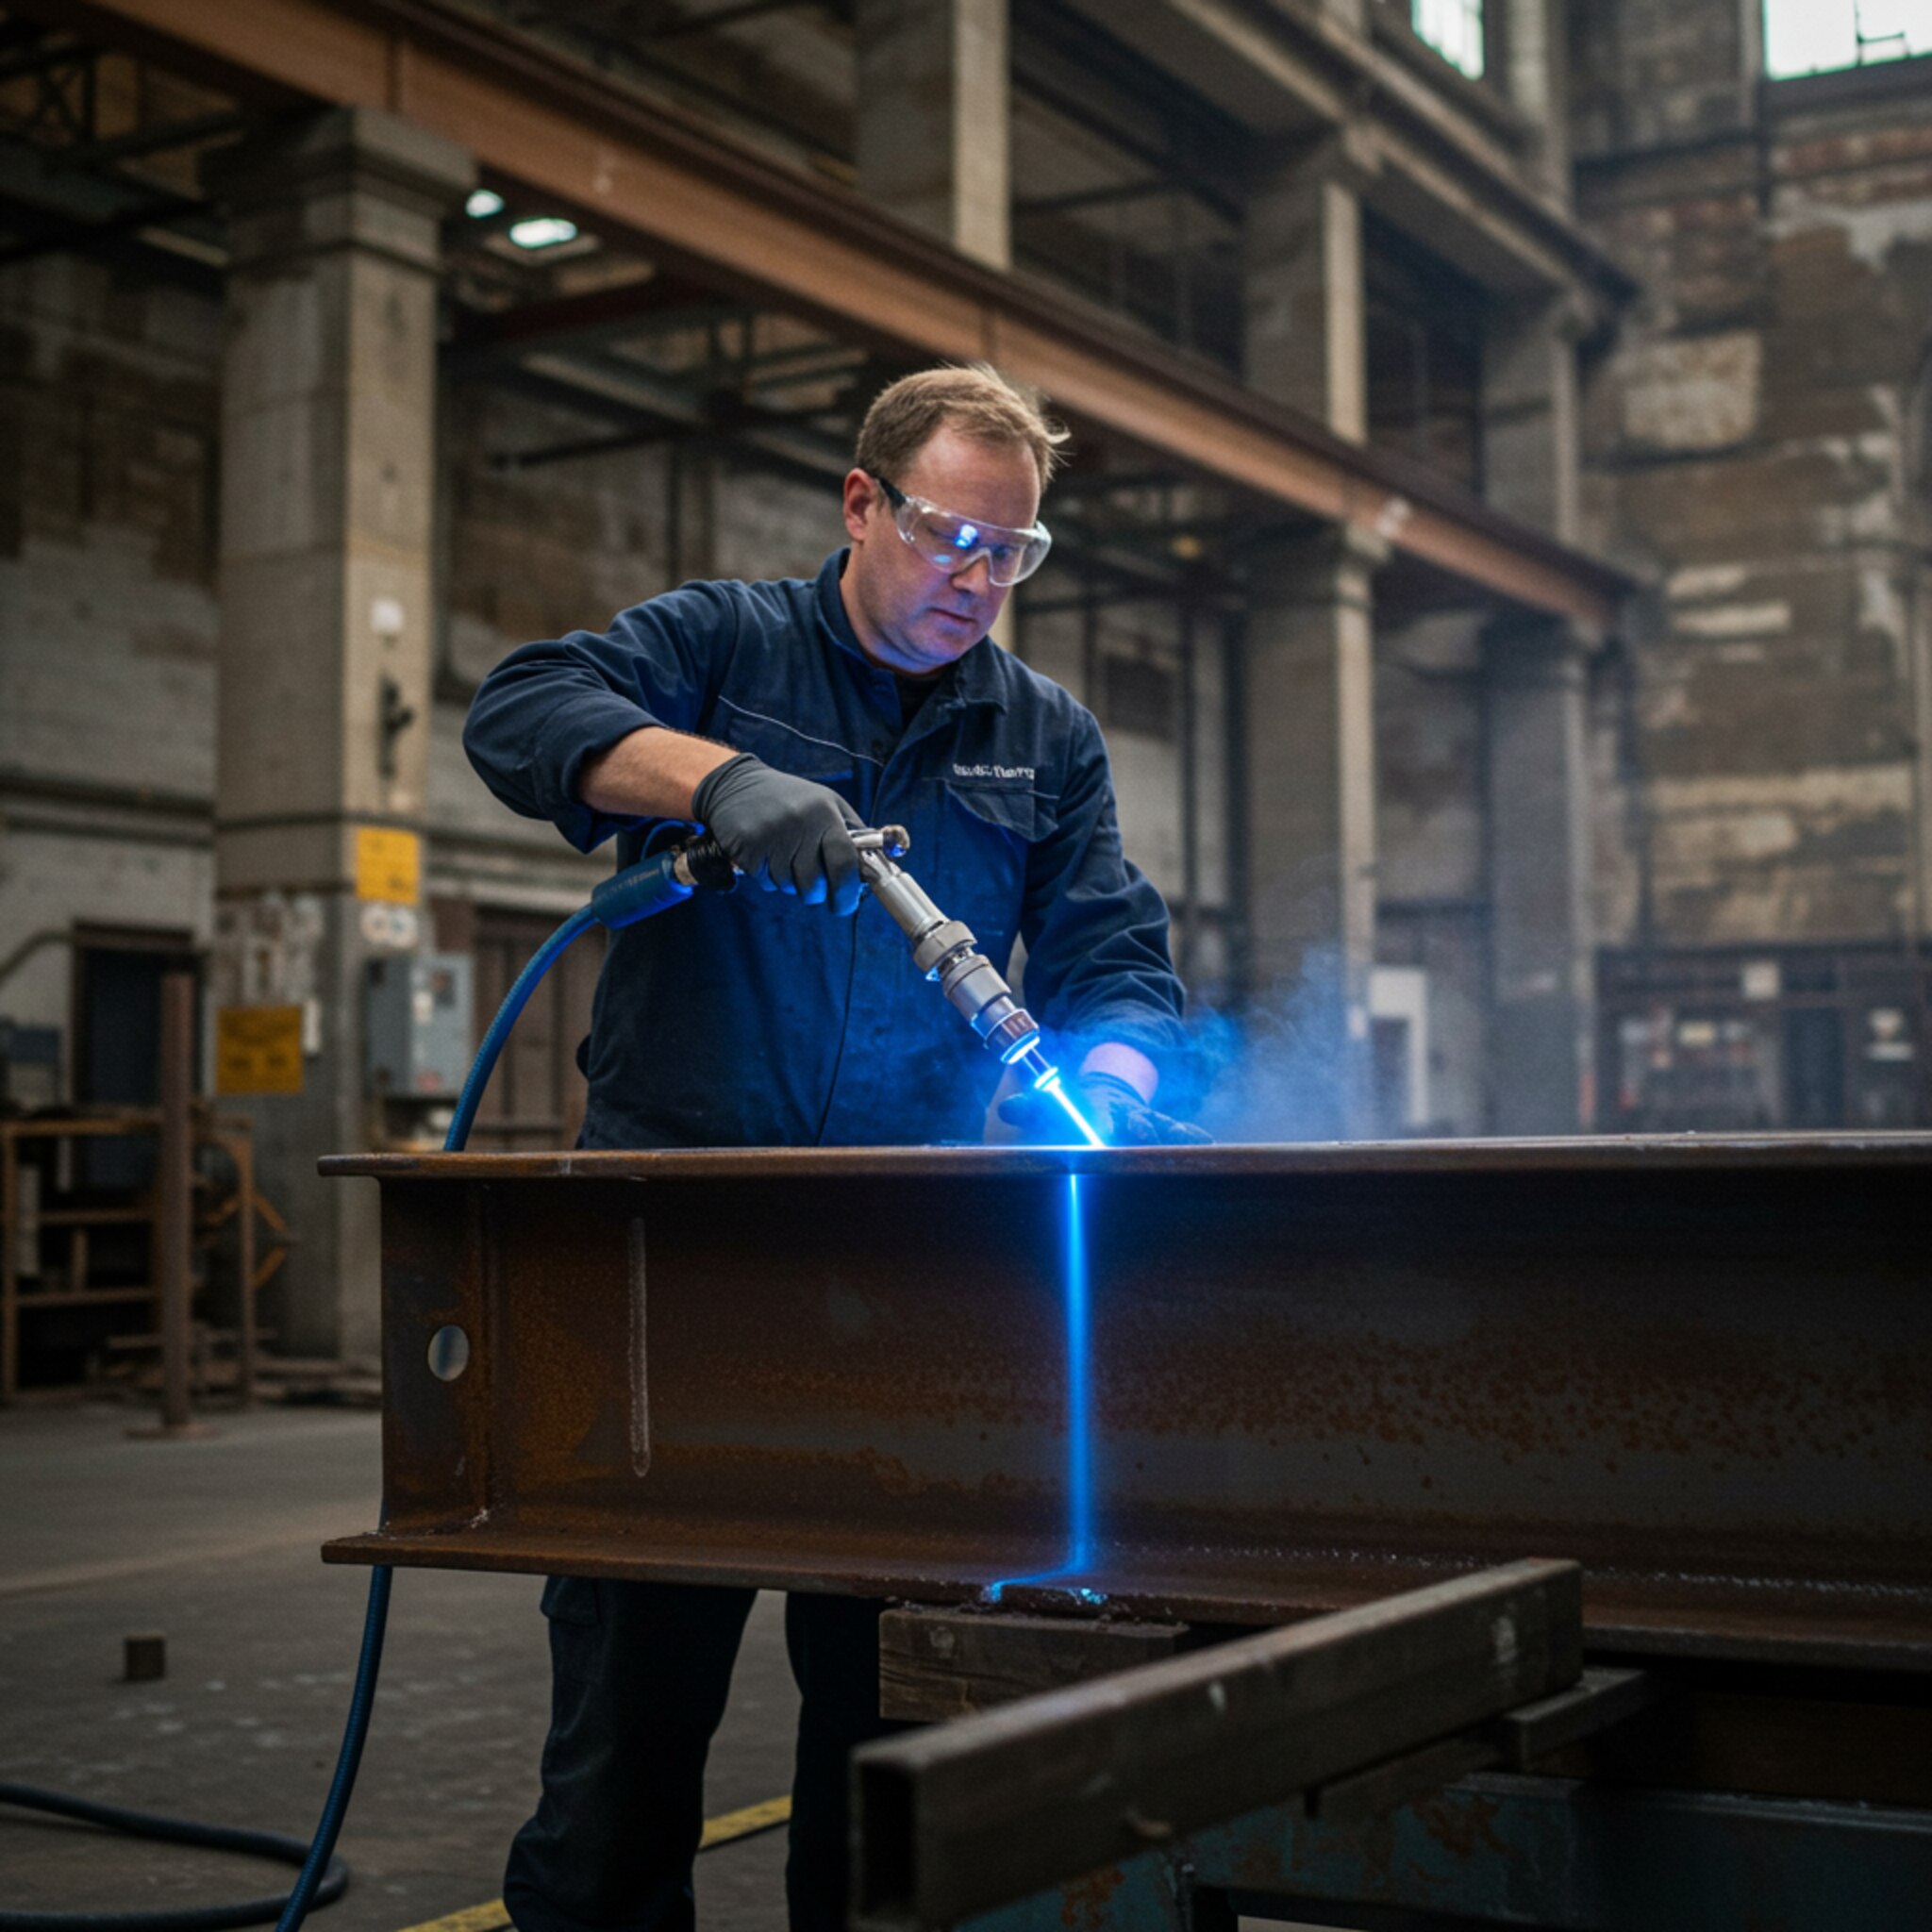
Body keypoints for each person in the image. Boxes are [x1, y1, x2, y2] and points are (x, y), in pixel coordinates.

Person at [462, 363, 1203, 1932]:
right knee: (625, 1738)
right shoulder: (722, 646)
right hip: (672, 1272)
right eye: (949, 537)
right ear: (861, 503)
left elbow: (1114, 958)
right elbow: (524, 710)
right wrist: (716, 779)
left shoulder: (1041, 731)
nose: (977, 581)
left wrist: (1111, 1086)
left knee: (885, 1738)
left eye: (1013, 553)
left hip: (905, 1287)